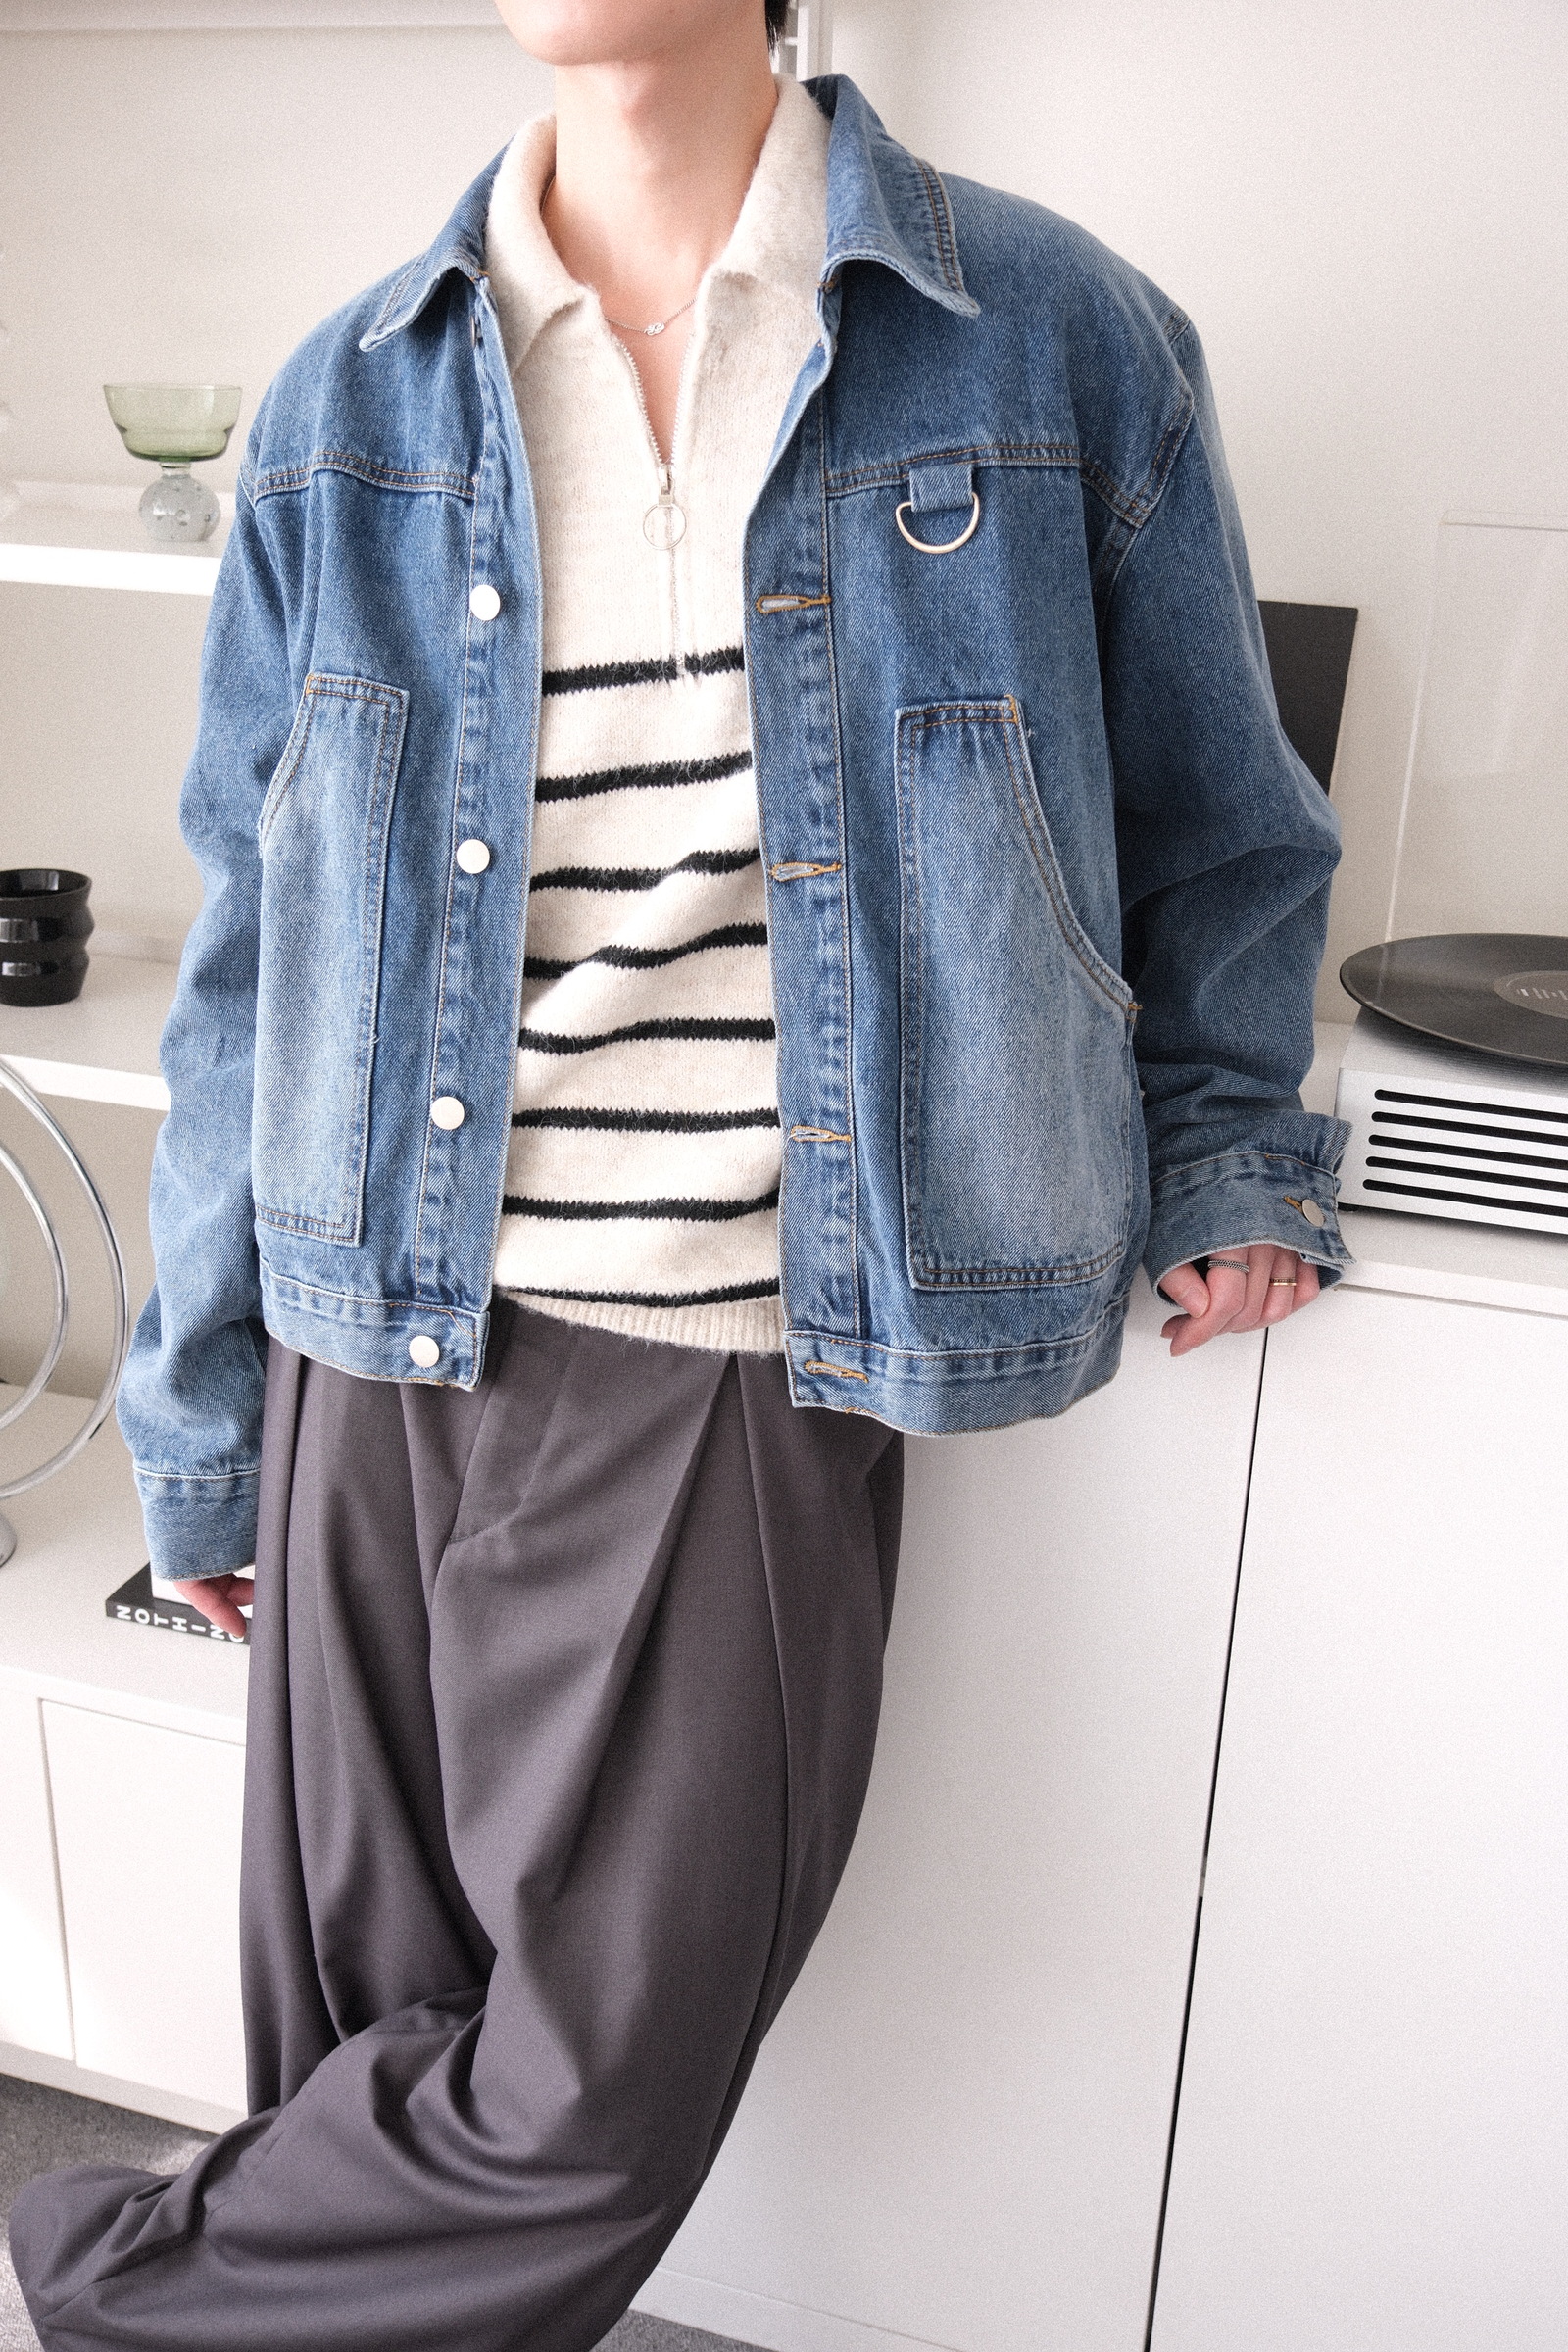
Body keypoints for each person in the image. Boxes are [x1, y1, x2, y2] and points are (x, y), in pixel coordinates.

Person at [8, 1, 1349, 2345]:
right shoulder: (346, 401)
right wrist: (201, 1417)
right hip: (359, 1335)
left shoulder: (1046, 335)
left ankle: (85, 2291)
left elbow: (1221, 824)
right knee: (352, 2036)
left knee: (585, 2096)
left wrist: (1228, 1139)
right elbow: (251, 952)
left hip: (714, 1349)